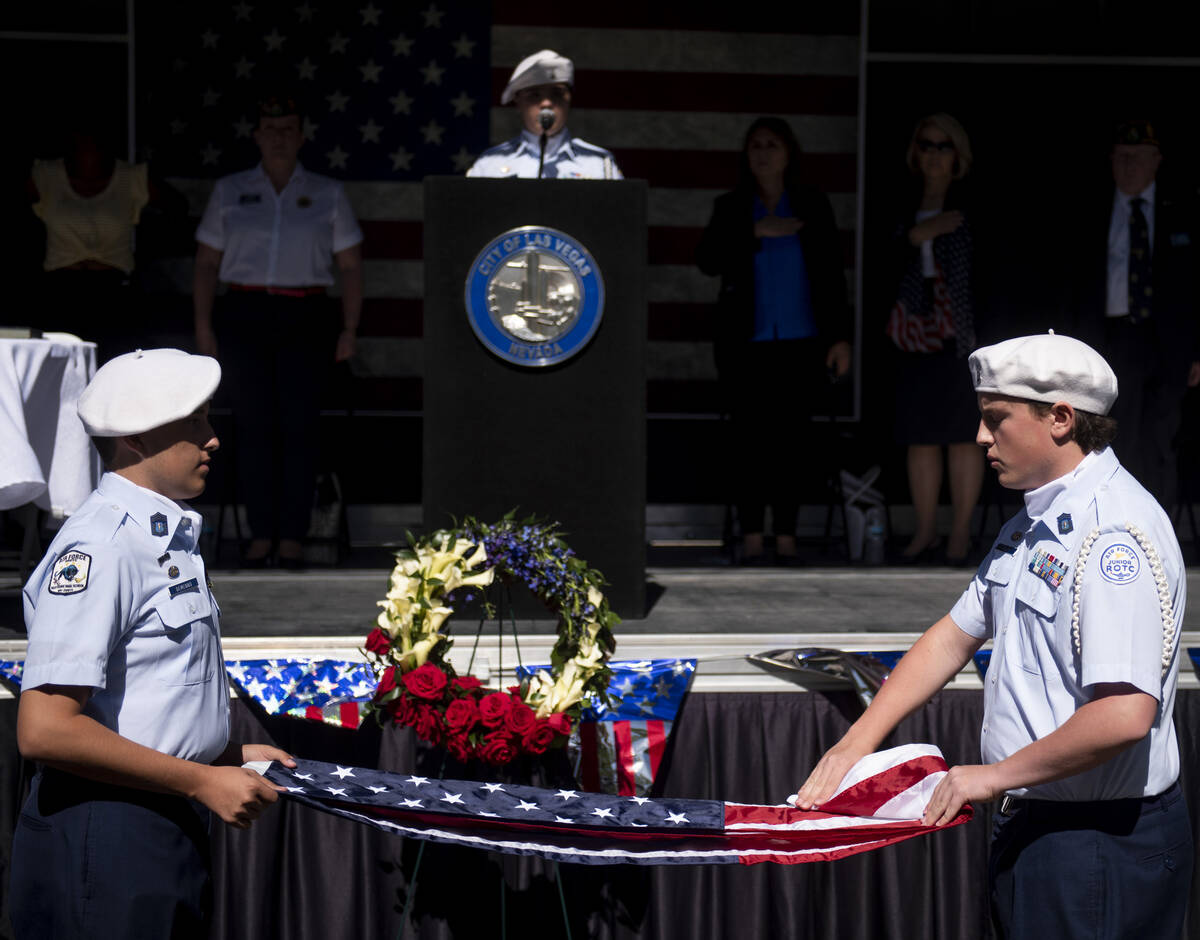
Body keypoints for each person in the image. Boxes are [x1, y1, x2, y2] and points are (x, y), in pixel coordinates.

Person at [795, 332, 1191, 938]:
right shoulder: (1033, 520)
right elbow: (953, 636)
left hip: (1096, 841)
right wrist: (857, 742)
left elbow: (1124, 714)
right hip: (1045, 825)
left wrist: (993, 775)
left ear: (1060, 419)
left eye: (995, 420)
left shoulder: (1112, 534)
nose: (981, 437)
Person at [10, 348, 296, 938]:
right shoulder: (103, 545)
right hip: (107, 831)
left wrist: (221, 757)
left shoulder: (161, 535)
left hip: (158, 818)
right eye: (194, 422)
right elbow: (45, 729)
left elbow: (139, 698)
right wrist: (199, 779)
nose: (213, 440)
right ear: (137, 438)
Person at [193, 93, 363, 568]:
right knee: (252, 429)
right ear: (257, 137)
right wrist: (203, 327)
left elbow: (350, 267)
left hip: (306, 316)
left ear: (302, 137)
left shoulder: (327, 192)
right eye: (271, 130)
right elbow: (207, 264)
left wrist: (349, 327)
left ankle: (292, 535)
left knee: (300, 428)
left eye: (289, 129)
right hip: (245, 313)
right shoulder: (231, 191)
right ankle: (260, 534)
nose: (280, 138)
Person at [696, 116, 851, 564]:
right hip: (746, 345)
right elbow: (706, 259)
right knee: (749, 444)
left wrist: (840, 338)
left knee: (792, 444)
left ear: (788, 153)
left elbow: (832, 277)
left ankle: (786, 536)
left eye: (772, 144)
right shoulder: (732, 206)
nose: (763, 152)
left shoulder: (811, 203)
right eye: (755, 145)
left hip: (803, 343)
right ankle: (751, 537)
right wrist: (753, 233)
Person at [1066, 119, 1199, 508]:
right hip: (1109, 338)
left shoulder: (1183, 209)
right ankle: (1110, 522)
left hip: (1167, 342)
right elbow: (1072, 285)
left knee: (1160, 437)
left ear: (1156, 161)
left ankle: (1157, 533)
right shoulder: (1092, 210)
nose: (1130, 167)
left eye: (1139, 158)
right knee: (1109, 433)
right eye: (1122, 158)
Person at [883, 113, 984, 564]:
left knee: (963, 436)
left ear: (957, 155)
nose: (934, 154)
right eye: (926, 144)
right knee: (920, 435)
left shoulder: (971, 203)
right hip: (911, 334)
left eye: (943, 146)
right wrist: (916, 235)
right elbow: (878, 262)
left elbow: (992, 272)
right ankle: (925, 531)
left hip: (962, 336)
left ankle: (959, 533)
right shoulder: (899, 202)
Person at [28, 121, 185, 363]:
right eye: (81, 138)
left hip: (113, 292)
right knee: (59, 366)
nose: (88, 145)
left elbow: (177, 207)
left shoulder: (130, 178)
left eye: (94, 138)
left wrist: (148, 249)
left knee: (113, 366)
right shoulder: (47, 176)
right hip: (60, 291)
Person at [466, 49, 622, 180]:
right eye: (534, 95)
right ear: (518, 102)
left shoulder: (599, 163)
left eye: (557, 94)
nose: (546, 103)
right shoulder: (490, 163)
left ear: (569, 100)